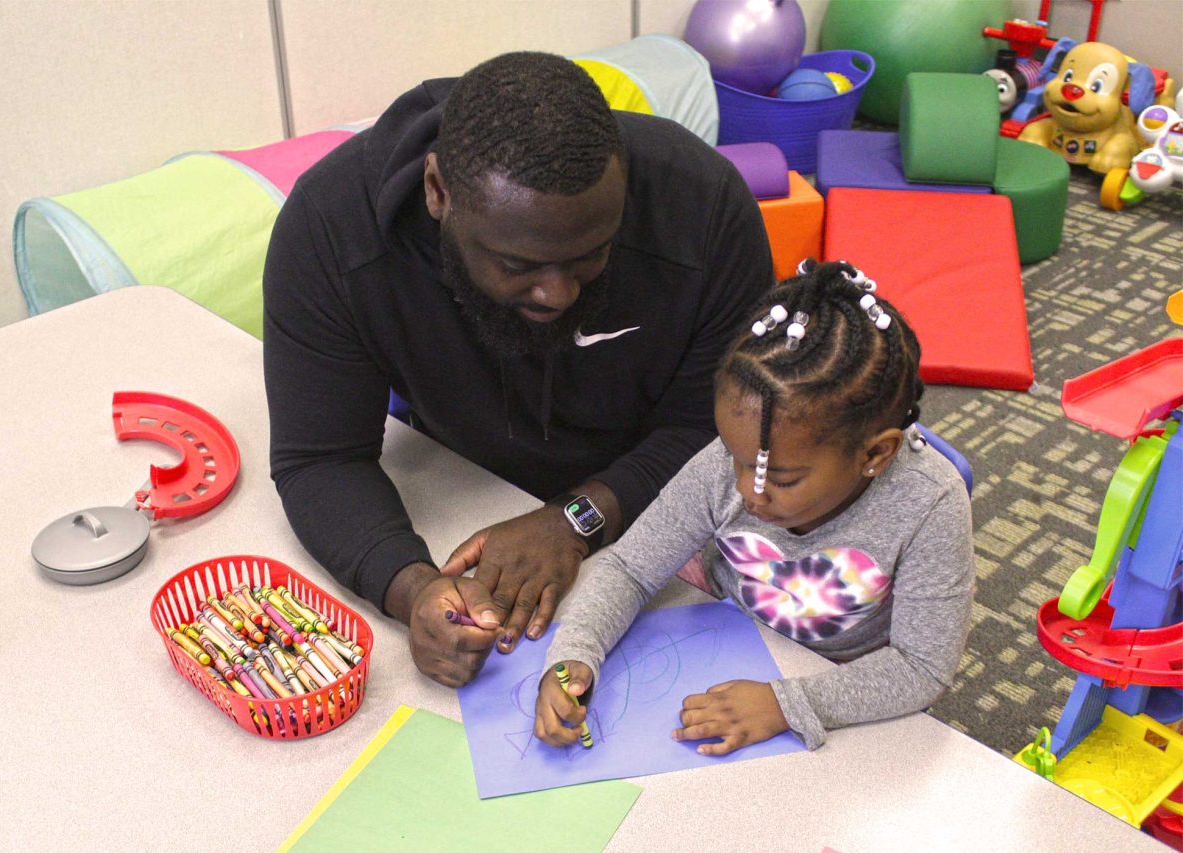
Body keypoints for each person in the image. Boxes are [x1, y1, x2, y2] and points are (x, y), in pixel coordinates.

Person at [263, 51, 774, 687]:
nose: (558, 293)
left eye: (592, 256)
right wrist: (413, 588)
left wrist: (577, 518)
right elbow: (322, 458)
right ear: (437, 193)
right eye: (518, 264)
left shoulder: (705, 208)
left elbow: (717, 428)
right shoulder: (330, 229)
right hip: (461, 493)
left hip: (660, 514)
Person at [534, 259, 975, 753]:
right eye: (734, 455)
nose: (747, 490)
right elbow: (631, 568)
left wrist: (787, 703)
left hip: (842, 679)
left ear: (874, 454)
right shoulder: (737, 459)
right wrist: (576, 653)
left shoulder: (929, 504)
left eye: (779, 477)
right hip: (724, 624)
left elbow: (921, 667)